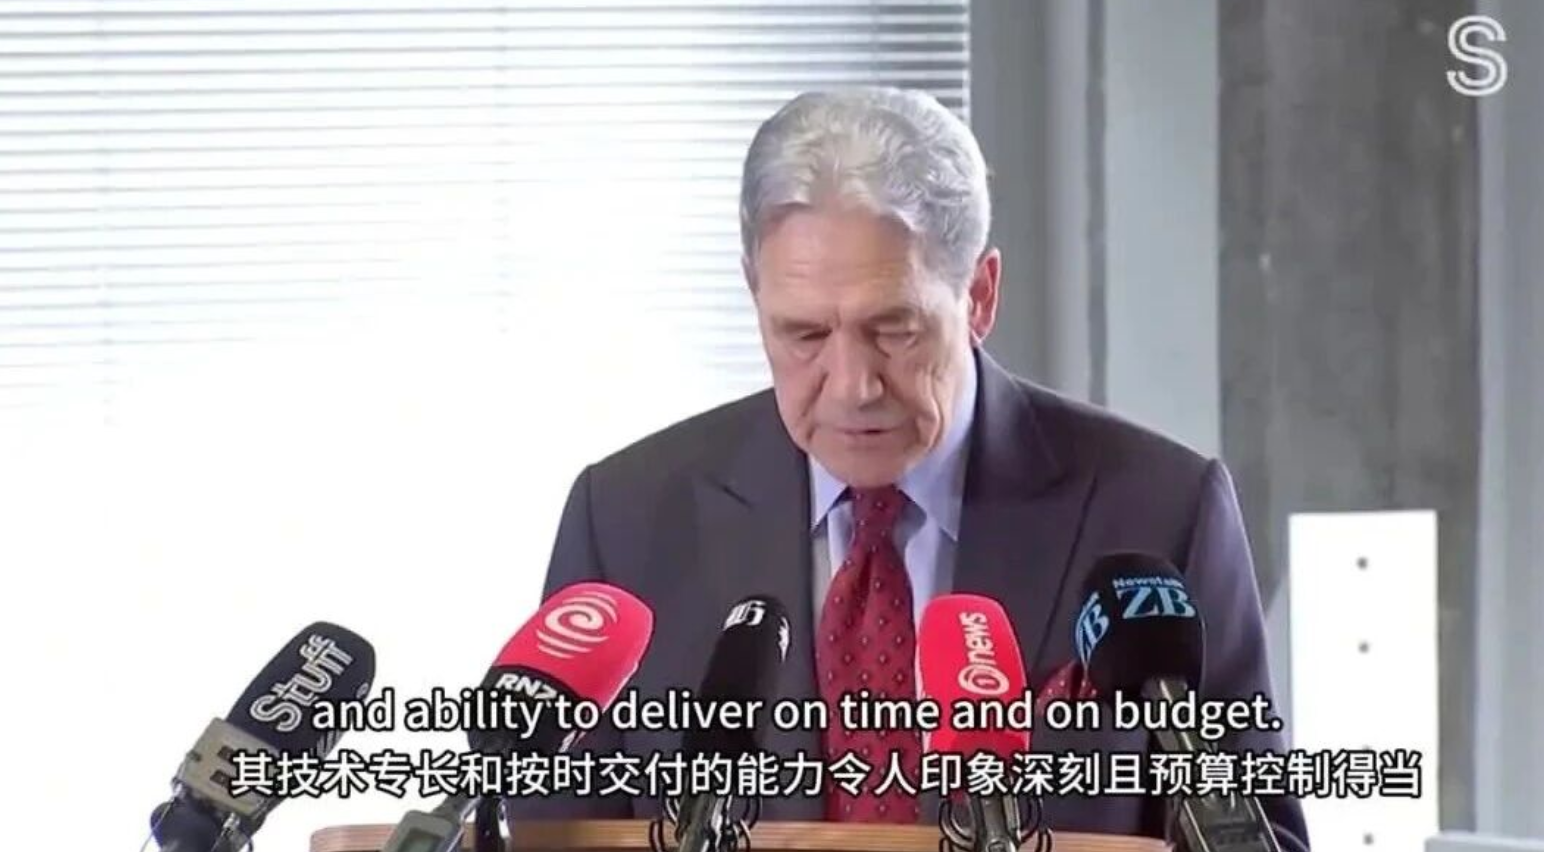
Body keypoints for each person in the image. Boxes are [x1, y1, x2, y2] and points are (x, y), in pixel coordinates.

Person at [507, 87, 1309, 850]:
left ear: (980, 296)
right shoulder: (626, 520)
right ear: (755, 295)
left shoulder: (1162, 512)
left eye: (895, 330)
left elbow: (1257, 835)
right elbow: (556, 830)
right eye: (804, 335)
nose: (852, 386)